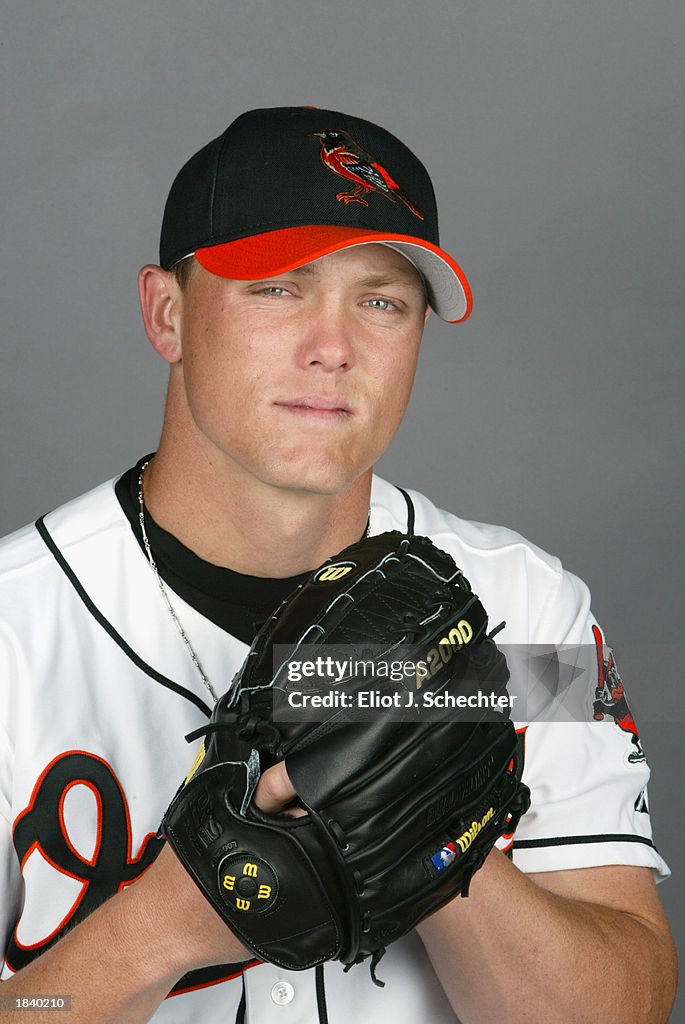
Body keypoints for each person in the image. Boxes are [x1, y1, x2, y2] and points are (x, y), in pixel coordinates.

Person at [0, 105, 676, 1023]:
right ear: (167, 312)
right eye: (277, 287)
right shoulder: (10, 635)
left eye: (382, 301)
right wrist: (158, 928)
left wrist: (429, 841)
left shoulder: (527, 626)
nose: (333, 347)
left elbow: (624, 1008)